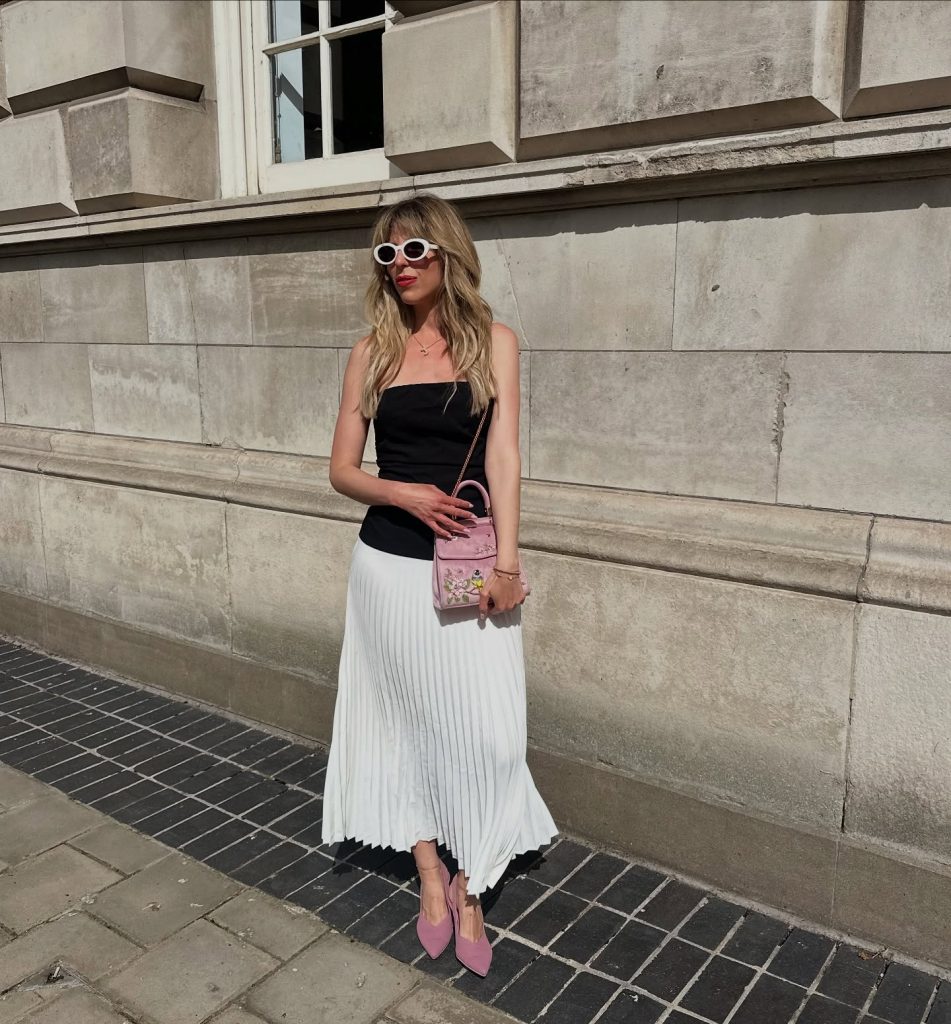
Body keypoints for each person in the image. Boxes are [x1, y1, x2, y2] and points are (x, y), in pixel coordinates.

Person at [321, 192, 558, 977]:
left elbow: (505, 458)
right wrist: (403, 493)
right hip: (387, 567)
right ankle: (431, 876)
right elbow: (341, 471)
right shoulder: (370, 353)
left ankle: (474, 875)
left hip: (467, 571)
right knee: (398, 722)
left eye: (415, 250)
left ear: (447, 254)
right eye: (386, 256)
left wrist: (509, 565)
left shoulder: (494, 342)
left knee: (489, 735)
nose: (401, 267)